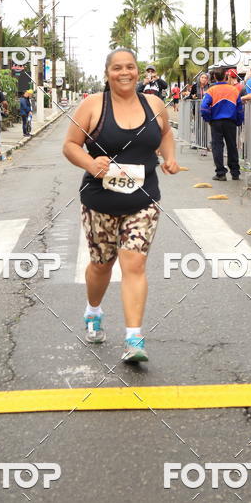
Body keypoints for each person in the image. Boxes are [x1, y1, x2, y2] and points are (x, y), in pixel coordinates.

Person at [62, 47, 179, 363]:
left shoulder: (153, 103)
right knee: (101, 265)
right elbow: (70, 145)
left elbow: (166, 133)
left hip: (144, 200)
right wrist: (90, 163)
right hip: (99, 200)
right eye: (117, 68)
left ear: (138, 71)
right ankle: (93, 310)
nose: (124, 73)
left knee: (134, 262)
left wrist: (169, 157)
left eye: (130, 67)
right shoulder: (92, 106)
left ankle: (134, 338)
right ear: (107, 73)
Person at [200, 67, 244, 180]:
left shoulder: (211, 90)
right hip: (231, 122)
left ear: (214, 77)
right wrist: (239, 121)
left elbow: (204, 107)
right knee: (232, 146)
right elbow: (240, 108)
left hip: (216, 122)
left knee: (217, 146)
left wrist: (208, 119)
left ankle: (221, 173)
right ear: (226, 76)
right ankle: (235, 172)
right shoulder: (234, 90)